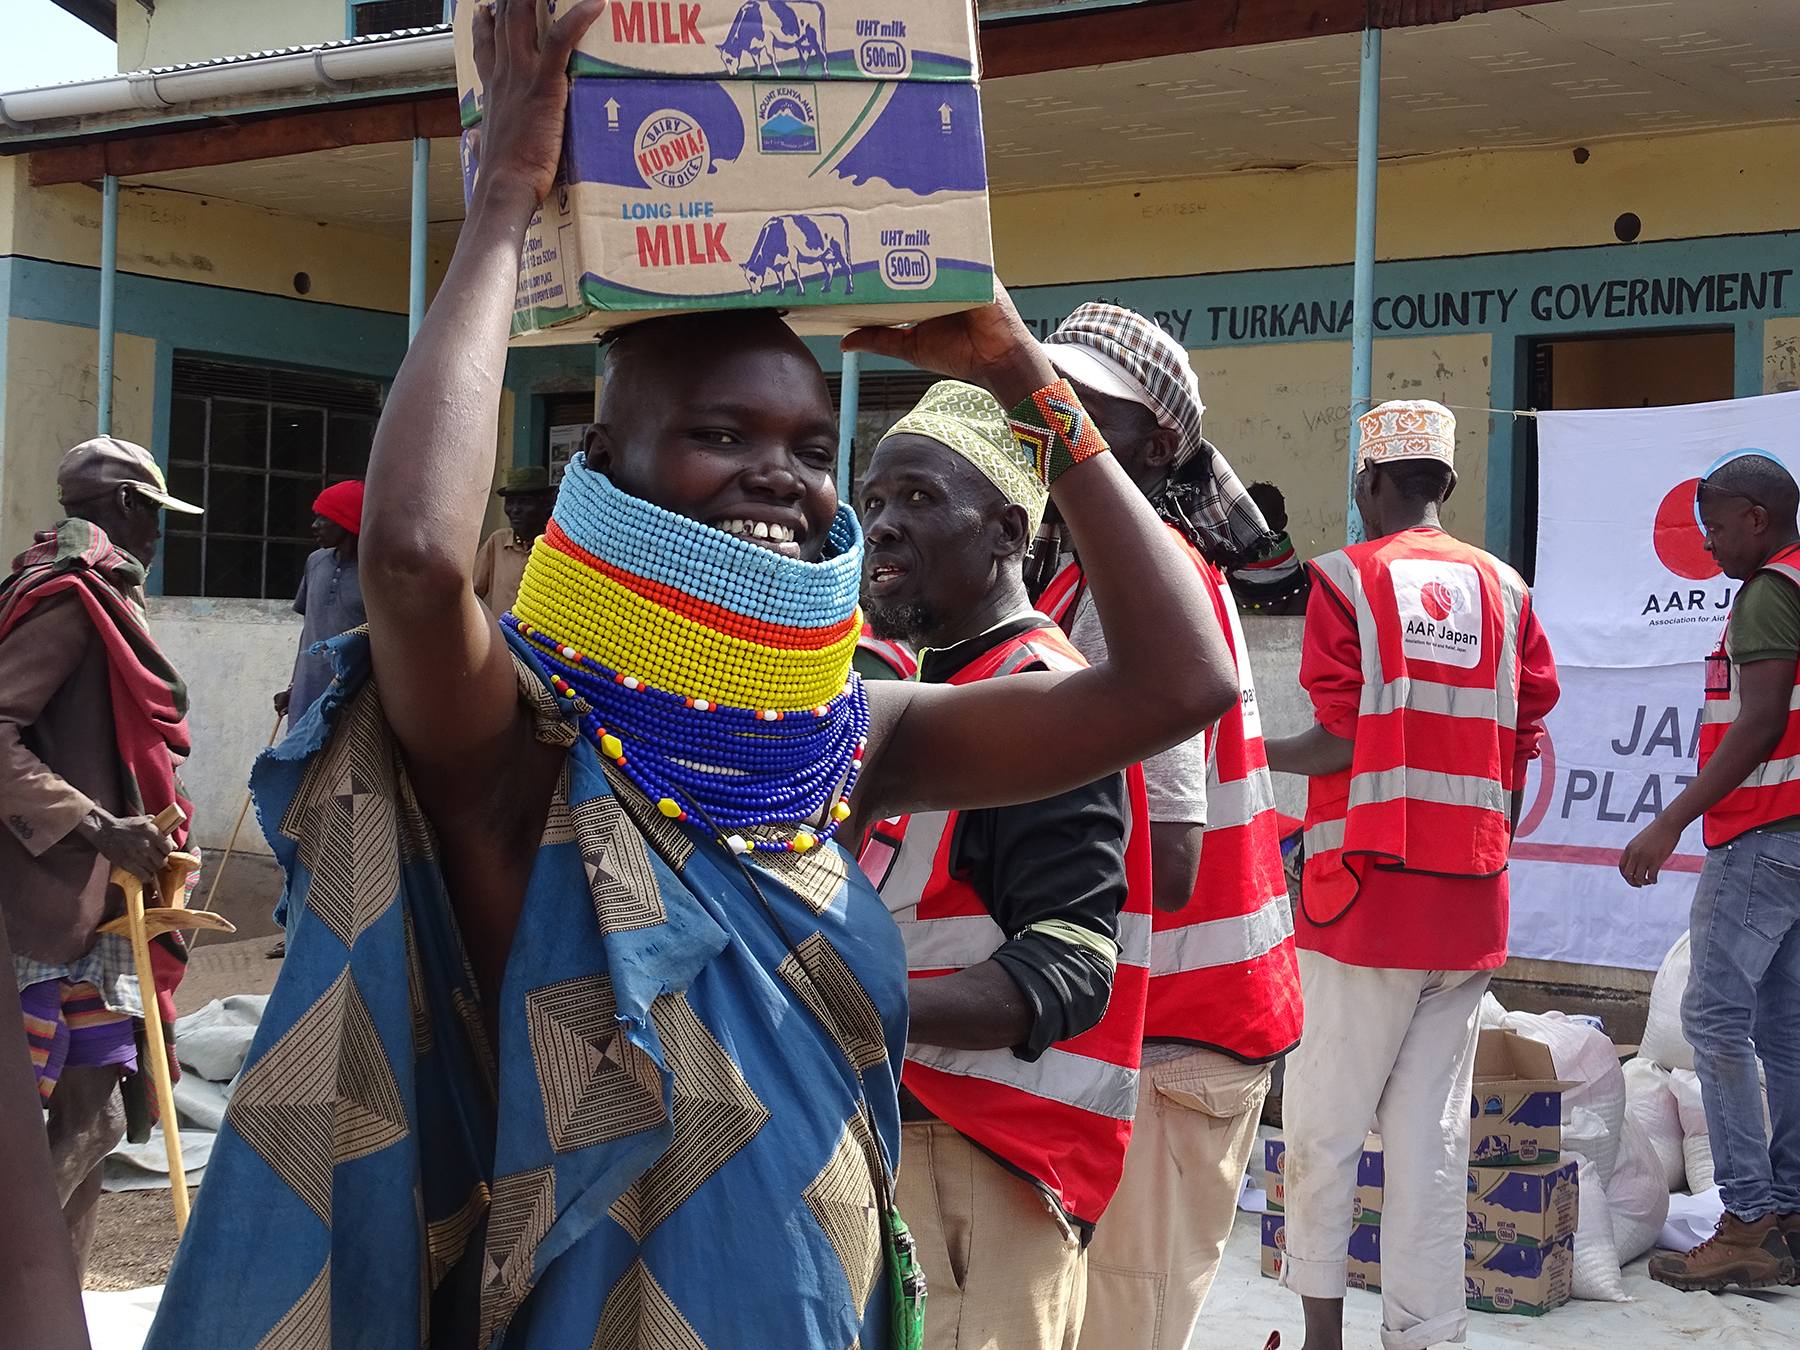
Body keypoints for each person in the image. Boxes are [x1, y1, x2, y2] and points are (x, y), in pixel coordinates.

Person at [147, 6, 1235, 1348]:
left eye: (804, 438)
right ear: (603, 457)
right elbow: (419, 559)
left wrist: (1021, 375)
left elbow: (1178, 684)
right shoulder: (516, 743)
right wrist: (496, 211)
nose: (779, 469)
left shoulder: (843, 736)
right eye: (722, 432)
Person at [855, 380, 1154, 1350]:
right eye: (875, 503)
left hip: (981, 1177)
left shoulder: (1039, 698)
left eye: (920, 499)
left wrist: (857, 1006)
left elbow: (1072, 965)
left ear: (1007, 536)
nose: (884, 527)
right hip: (904, 1145)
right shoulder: (920, 687)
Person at [1031, 305, 1303, 1350]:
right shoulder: (1099, 569)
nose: (1053, 422)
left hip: (1176, 1029)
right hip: (1176, 1021)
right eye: (1048, 395)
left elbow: (1170, 852)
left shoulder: (1131, 581)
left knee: (1121, 1327)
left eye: (1087, 406)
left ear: (1156, 444)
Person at [1264, 400, 1559, 1350]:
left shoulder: (1350, 581)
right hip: (1469, 906)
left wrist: (1247, 744)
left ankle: (1320, 1340)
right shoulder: (1508, 591)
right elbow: (1528, 722)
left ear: (1368, 483)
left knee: (1324, 1128)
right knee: (1432, 1144)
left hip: (1362, 903)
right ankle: (1425, 1336)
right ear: (1449, 484)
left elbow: (1337, 737)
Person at [1, 436, 200, 1278]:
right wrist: (96, 823)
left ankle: (57, 1316)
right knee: (72, 1111)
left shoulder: (100, 591)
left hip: (108, 895)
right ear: (124, 507)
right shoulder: (70, 598)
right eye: (154, 514)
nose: (159, 533)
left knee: (101, 1111)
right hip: (56, 895)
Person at [1622, 452, 1800, 1290]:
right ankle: (1790, 1214)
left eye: (1718, 522)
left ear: (1757, 518)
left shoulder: (1769, 591)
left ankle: (1748, 1222)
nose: (1708, 540)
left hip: (1763, 833)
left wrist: (1670, 821)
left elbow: (1760, 720)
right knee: (1782, 1030)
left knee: (1715, 1021)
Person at [272, 478, 364, 726]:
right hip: (307, 694)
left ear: (346, 520)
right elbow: (309, 631)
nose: (315, 525)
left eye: (323, 517)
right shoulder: (315, 562)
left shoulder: (374, 574)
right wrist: (293, 688)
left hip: (353, 699)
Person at [474, 464, 559, 615]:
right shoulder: (497, 542)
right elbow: (473, 594)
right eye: (510, 502)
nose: (515, 509)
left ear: (547, 503)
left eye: (525, 502)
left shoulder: (556, 546)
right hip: (502, 636)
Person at [1231, 482, 1312, 616]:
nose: (1250, 528)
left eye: (1258, 521)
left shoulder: (1301, 591)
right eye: (1244, 520)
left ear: (1281, 522)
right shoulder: (1228, 584)